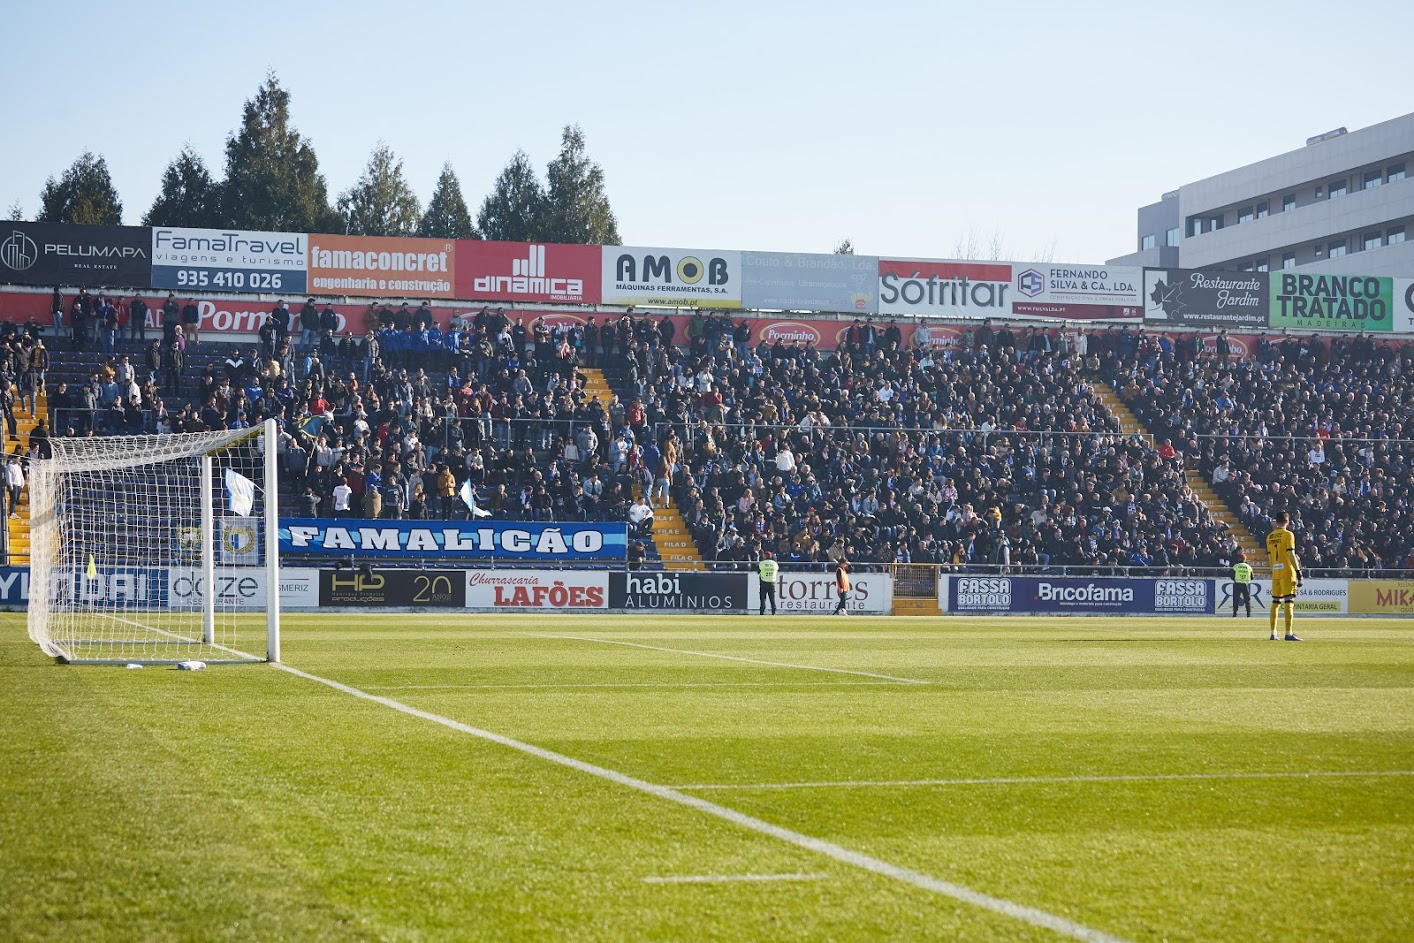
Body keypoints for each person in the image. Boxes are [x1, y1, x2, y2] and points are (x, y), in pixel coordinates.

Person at [1265, 511, 1303, 641]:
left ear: (1276, 521)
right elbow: (1291, 554)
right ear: (1287, 521)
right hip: (1287, 572)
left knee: (1275, 602)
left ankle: (1273, 633)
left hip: (1276, 572)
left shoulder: (1270, 537)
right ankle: (1288, 633)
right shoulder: (1288, 535)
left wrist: (1273, 571)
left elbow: (1270, 558)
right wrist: (1298, 572)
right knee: (1289, 601)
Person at [757, 549, 779, 616]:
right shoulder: (775, 564)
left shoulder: (762, 563)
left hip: (763, 582)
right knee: (772, 599)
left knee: (763, 599)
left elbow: (758, 571)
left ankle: (762, 612)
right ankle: (773, 612)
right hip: (772, 583)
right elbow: (777, 570)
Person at [1232, 553, 1253, 618]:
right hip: (1245, 585)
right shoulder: (1248, 567)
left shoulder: (1236, 566)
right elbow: (1252, 577)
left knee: (1236, 599)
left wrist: (1235, 580)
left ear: (1239, 559)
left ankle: (1235, 613)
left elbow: (1231, 575)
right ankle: (1248, 614)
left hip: (1237, 584)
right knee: (1247, 600)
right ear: (1244, 559)